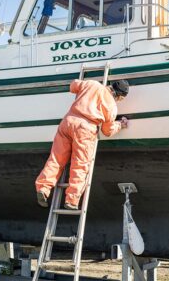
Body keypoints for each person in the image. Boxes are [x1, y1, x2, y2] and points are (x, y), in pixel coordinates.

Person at [35, 79, 130, 209]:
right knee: (80, 165)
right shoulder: (112, 106)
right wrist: (120, 125)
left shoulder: (92, 84)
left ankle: (43, 188)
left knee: (56, 158)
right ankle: (71, 201)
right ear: (120, 96)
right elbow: (107, 131)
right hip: (86, 129)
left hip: (67, 122)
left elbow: (73, 85)